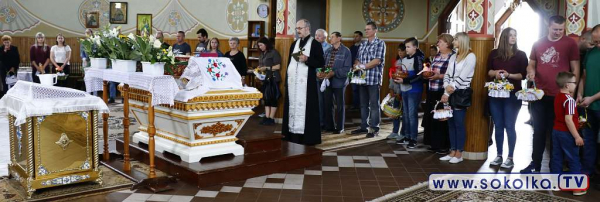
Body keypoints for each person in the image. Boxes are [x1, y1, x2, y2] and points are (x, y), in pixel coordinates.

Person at [521, 15, 580, 173]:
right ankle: (536, 164)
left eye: (561, 29)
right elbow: (531, 64)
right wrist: (531, 72)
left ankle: (556, 167)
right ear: (548, 25)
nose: (558, 32)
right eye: (555, 29)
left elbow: (575, 69)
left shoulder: (570, 43)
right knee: (538, 130)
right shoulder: (538, 43)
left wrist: (572, 92)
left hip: (560, 96)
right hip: (539, 94)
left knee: (556, 132)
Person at [486, 27, 528, 168]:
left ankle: (510, 157)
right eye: (511, 35)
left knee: (509, 125)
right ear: (504, 37)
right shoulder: (493, 54)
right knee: (498, 125)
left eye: (515, 35)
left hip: (513, 94)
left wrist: (508, 75)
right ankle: (498, 155)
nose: (513, 38)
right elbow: (489, 71)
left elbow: (523, 75)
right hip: (496, 94)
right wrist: (496, 72)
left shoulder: (521, 55)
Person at [282, 19, 325, 146]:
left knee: (307, 109)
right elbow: (289, 64)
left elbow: (320, 62)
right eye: (297, 28)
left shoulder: (315, 44)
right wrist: (286, 81)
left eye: (300, 28)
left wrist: (307, 59)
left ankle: (307, 137)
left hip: (307, 84)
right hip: (293, 84)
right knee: (292, 108)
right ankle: (291, 135)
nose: (298, 31)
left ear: (307, 28)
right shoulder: (294, 44)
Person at [439, 32, 476, 164]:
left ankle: (459, 153)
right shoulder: (453, 56)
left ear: (462, 41)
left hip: (460, 93)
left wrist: (447, 92)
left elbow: (463, 77)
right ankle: (452, 151)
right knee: (450, 123)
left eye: (455, 39)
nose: (453, 41)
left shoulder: (471, 57)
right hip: (449, 91)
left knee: (459, 123)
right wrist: (446, 87)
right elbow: (448, 74)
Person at [552, 72, 585, 196]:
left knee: (557, 157)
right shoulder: (569, 100)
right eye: (574, 83)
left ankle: (555, 184)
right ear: (567, 85)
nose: (575, 85)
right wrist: (577, 136)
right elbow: (568, 119)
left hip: (556, 131)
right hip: (567, 134)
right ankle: (576, 188)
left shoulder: (558, 97)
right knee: (574, 159)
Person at [351, 22, 386, 138]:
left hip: (373, 78)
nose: (366, 31)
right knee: (363, 105)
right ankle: (363, 126)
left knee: (374, 105)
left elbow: (377, 61)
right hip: (362, 79)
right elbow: (357, 59)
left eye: (368, 29)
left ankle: (374, 128)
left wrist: (363, 66)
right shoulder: (363, 44)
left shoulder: (380, 43)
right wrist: (357, 65)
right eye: (365, 29)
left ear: (375, 30)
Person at [423, 34, 454, 155]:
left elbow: (451, 74)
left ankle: (444, 145)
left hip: (443, 90)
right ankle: (434, 143)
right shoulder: (437, 56)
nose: (438, 44)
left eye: (440, 42)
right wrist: (428, 73)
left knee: (443, 117)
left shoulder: (452, 57)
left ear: (447, 43)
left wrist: (438, 76)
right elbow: (433, 70)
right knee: (433, 116)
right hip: (432, 88)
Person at [577, 24, 600, 179]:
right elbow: (583, 77)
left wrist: (592, 98)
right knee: (588, 138)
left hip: (596, 104)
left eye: (599, 42)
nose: (598, 45)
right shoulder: (590, 53)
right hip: (586, 106)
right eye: (596, 42)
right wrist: (579, 94)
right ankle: (587, 170)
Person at [393, 37, 424, 148]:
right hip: (404, 89)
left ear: (415, 47)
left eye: (408, 47)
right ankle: (406, 135)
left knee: (412, 114)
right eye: (405, 47)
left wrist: (405, 80)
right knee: (405, 114)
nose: (406, 49)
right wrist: (398, 75)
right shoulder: (404, 59)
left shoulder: (418, 58)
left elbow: (419, 75)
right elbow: (403, 72)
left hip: (414, 90)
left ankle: (413, 138)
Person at [322, 31, 351, 134]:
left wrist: (333, 73)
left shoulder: (346, 51)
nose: (331, 39)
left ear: (339, 38)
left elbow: (347, 69)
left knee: (340, 105)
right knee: (328, 104)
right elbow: (324, 64)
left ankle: (340, 127)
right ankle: (329, 126)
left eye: (333, 37)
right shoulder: (328, 50)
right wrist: (323, 72)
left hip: (340, 81)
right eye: (330, 37)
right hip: (327, 81)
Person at [257, 37, 282, 125]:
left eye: (261, 45)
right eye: (259, 46)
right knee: (266, 99)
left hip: (273, 78)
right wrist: (258, 70)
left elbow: (278, 66)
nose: (260, 47)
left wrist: (266, 68)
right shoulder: (262, 54)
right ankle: (267, 117)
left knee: (273, 98)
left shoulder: (274, 52)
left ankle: (271, 118)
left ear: (266, 44)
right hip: (265, 78)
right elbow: (261, 65)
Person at [387, 43, 406, 140]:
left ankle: (403, 133)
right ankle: (394, 131)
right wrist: (391, 89)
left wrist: (400, 93)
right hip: (395, 91)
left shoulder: (407, 63)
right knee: (395, 112)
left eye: (402, 51)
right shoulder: (397, 62)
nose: (400, 53)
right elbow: (392, 77)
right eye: (399, 51)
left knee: (404, 114)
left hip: (404, 92)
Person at [315, 28, 331, 130]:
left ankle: (327, 123)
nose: (316, 37)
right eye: (316, 35)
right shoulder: (313, 46)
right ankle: (320, 122)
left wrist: (323, 73)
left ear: (325, 37)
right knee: (319, 101)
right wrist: (316, 72)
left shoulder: (329, 48)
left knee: (327, 101)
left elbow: (329, 63)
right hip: (316, 76)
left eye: (319, 36)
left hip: (326, 77)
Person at [349, 31, 363, 110]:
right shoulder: (352, 47)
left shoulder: (363, 46)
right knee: (354, 88)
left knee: (361, 88)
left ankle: (362, 105)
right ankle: (355, 105)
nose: (355, 38)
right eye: (354, 36)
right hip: (353, 70)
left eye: (357, 36)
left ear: (361, 37)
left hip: (361, 70)